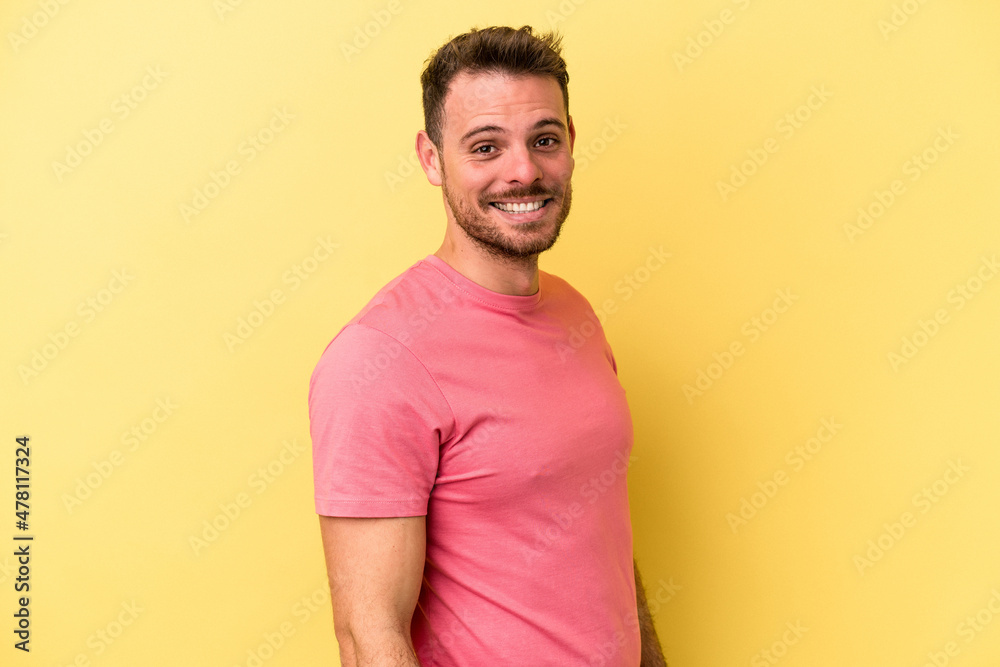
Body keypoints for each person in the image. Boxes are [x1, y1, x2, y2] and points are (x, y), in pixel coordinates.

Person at [309, 25, 667, 667]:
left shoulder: (575, 314)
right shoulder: (378, 360)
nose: (523, 171)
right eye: (486, 147)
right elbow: (369, 634)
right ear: (431, 159)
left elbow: (601, 538)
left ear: (571, 141)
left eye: (544, 140)